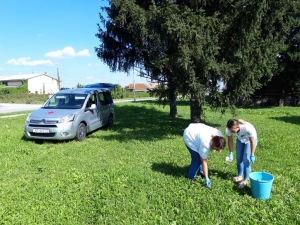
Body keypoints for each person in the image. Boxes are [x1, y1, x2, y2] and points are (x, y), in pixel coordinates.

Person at [183, 123, 226, 188]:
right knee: (197, 159)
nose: (218, 151)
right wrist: (207, 178)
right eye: (217, 149)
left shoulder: (220, 137)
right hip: (189, 135)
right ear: (213, 144)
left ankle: (202, 173)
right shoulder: (205, 144)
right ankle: (190, 177)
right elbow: (204, 161)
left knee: (200, 156)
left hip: (197, 130)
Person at [226, 119, 258, 188]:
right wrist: (230, 152)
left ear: (238, 127)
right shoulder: (229, 129)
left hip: (250, 140)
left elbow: (252, 142)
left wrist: (252, 155)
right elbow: (230, 140)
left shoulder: (247, 128)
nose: (231, 132)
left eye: (232, 131)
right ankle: (240, 175)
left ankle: (246, 180)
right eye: (230, 130)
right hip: (241, 139)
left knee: (246, 159)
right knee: (239, 158)